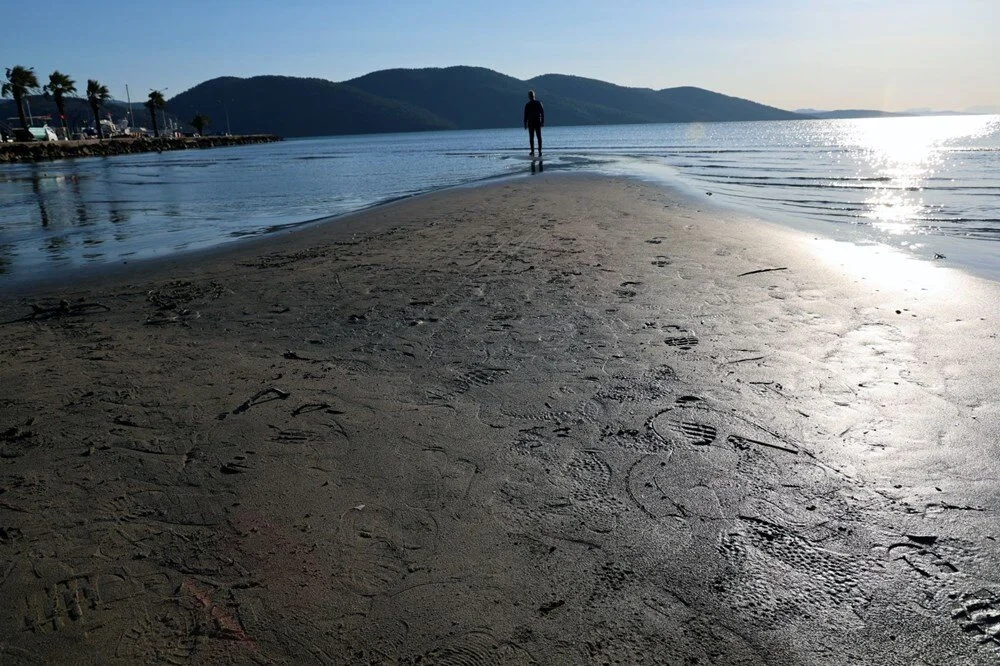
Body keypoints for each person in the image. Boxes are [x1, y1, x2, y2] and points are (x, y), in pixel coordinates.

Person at [523, 90, 544, 157]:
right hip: (531, 122)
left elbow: (542, 113)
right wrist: (525, 123)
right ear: (529, 96)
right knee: (531, 137)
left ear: (534, 95)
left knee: (538, 137)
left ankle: (539, 150)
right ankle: (532, 151)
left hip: (537, 122)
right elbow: (525, 115)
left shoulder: (538, 103)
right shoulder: (527, 105)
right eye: (530, 95)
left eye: (532, 95)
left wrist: (542, 121)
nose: (531, 96)